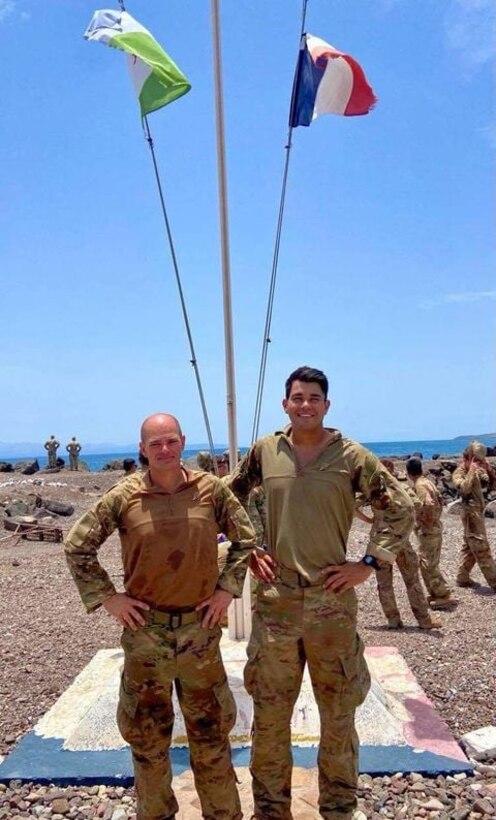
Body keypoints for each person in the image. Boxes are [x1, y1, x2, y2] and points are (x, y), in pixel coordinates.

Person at [227, 366, 415, 820]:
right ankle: (271, 811)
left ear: (326, 406)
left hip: (332, 602)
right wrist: (250, 547)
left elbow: (402, 507)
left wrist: (369, 562)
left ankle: (338, 808)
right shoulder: (266, 451)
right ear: (285, 403)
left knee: (338, 711)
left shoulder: (351, 457)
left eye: (314, 398)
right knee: (270, 714)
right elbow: (226, 499)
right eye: (297, 397)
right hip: (276, 601)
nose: (305, 404)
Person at [65, 413, 256, 820]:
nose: (164, 450)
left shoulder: (211, 490)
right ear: (142, 449)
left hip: (200, 633)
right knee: (148, 742)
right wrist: (109, 598)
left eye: (170, 441)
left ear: (182, 441)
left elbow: (246, 540)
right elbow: (78, 545)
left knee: (211, 738)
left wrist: (227, 590)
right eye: (155, 444)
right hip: (146, 635)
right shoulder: (124, 496)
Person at [364, 459, 443, 630]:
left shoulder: (372, 490)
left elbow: (351, 505)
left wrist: (370, 519)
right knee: (412, 580)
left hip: (379, 542)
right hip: (400, 540)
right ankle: (424, 620)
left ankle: (393, 619)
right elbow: (416, 504)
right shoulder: (402, 488)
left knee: (384, 582)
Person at [406, 457, 456, 609]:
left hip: (429, 530)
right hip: (435, 527)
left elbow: (428, 504)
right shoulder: (427, 482)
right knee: (432, 562)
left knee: (427, 564)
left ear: (408, 473)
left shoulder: (420, 485)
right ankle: (438, 592)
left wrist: (426, 522)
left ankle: (442, 594)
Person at [452, 440, 496, 590]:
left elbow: (492, 486)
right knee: (481, 548)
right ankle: (494, 581)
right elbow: (464, 489)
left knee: (469, 547)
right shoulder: (459, 473)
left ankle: (462, 577)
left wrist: (489, 471)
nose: (478, 463)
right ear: (466, 459)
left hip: (478, 512)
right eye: (475, 460)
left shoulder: (478, 471)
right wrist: (471, 470)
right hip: (470, 514)